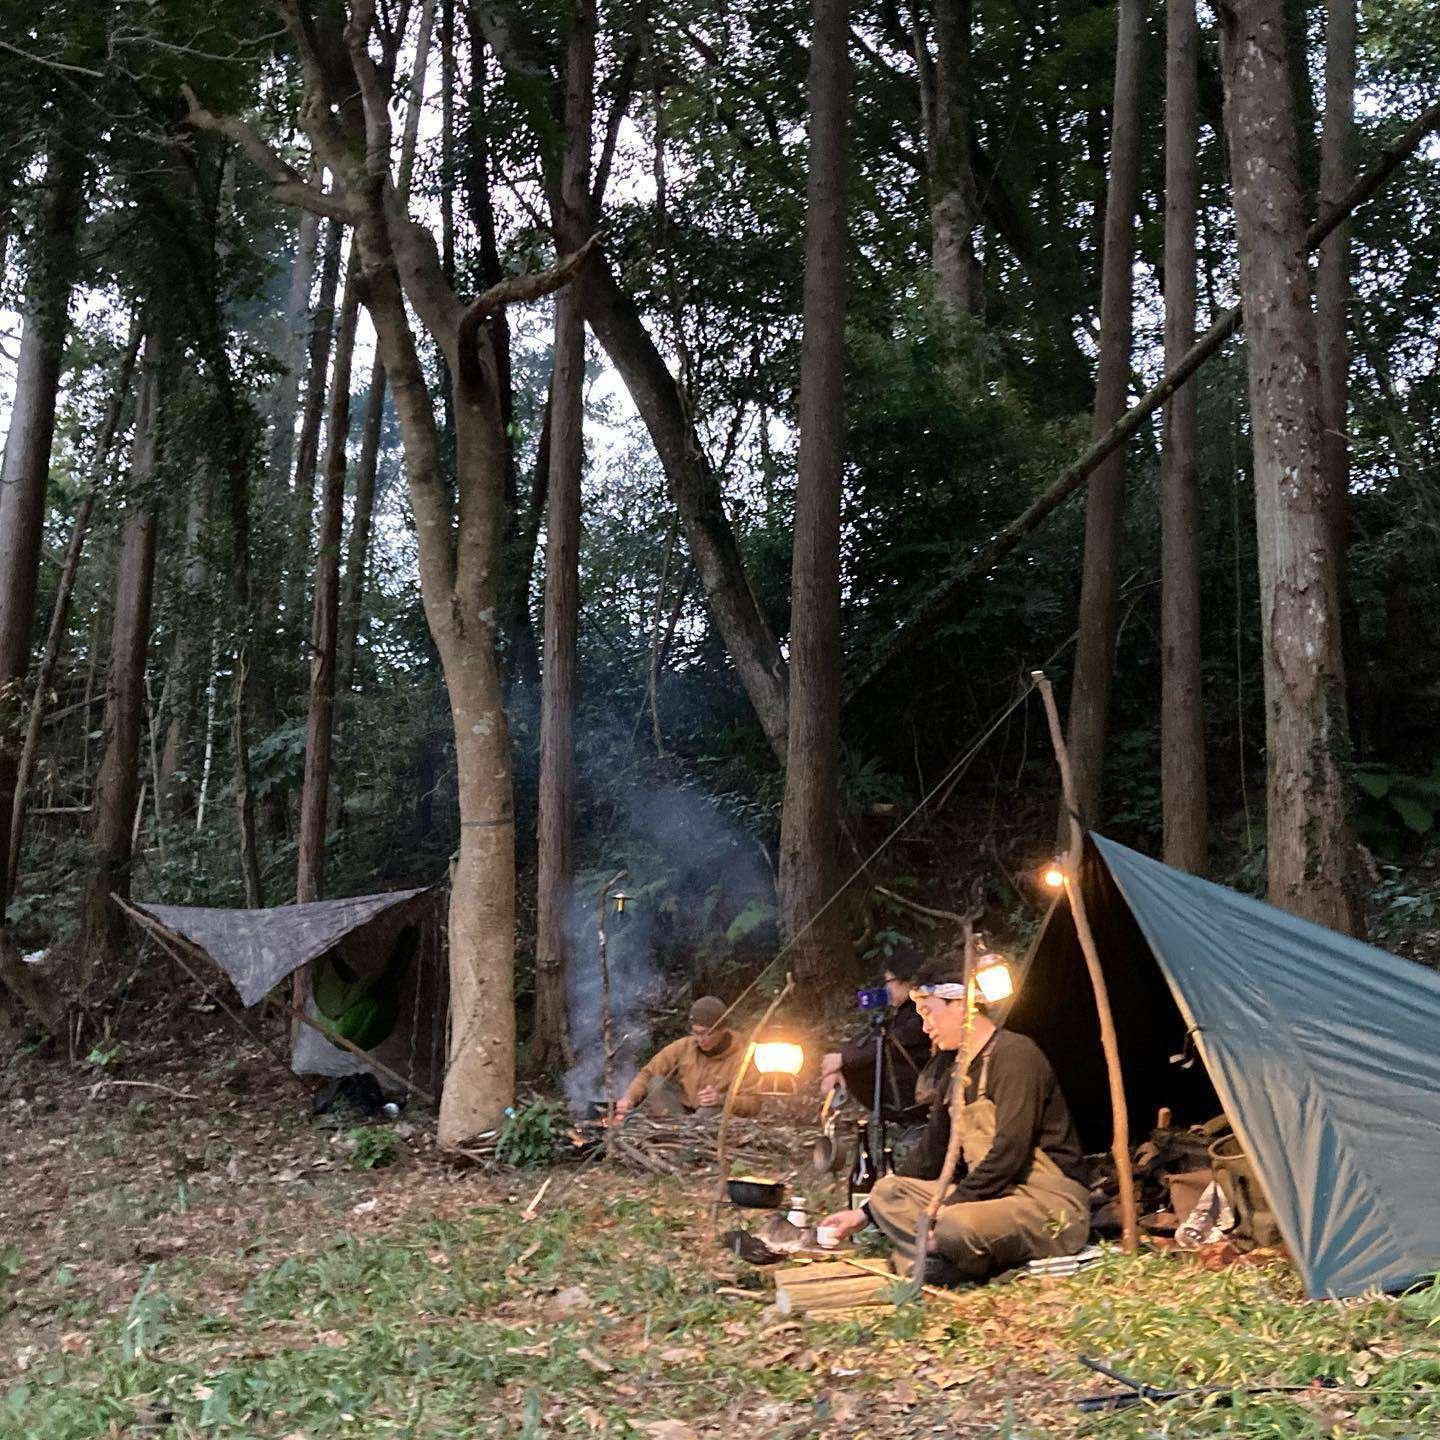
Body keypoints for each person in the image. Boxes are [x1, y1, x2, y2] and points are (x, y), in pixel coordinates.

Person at [819, 953, 1090, 1285]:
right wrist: (864, 1215)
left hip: (1048, 1203)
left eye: (928, 1012)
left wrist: (946, 1208)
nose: (924, 1026)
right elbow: (929, 1155)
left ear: (962, 1005)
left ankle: (945, 1255)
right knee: (887, 1192)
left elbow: (1009, 1152)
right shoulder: (955, 1072)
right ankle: (947, 1255)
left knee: (955, 1224)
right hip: (993, 1198)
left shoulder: (1016, 1055)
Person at [818, 948, 931, 1120]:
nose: (887, 987)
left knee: (863, 1063)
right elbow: (873, 1037)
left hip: (921, 1090)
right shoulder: (905, 1011)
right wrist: (840, 1058)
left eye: (889, 981)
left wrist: (844, 1059)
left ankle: (903, 1120)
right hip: (911, 1087)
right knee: (857, 1061)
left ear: (905, 980)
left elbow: (896, 1040)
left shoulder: (923, 1011)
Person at [615, 996, 760, 1118]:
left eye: (707, 1033)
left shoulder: (743, 1056)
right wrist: (629, 1098)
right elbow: (649, 1072)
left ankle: (687, 1130)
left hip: (714, 1113)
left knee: (709, 1111)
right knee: (656, 1083)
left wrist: (722, 1099)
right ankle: (677, 1127)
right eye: (696, 1033)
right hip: (681, 1110)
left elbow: (754, 1103)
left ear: (723, 1029)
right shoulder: (685, 1046)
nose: (701, 1039)